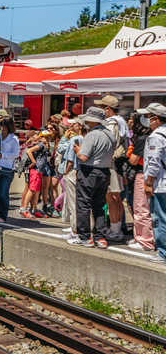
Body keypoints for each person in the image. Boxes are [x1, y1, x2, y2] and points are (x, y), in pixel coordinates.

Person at [68, 107, 115, 248]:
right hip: (105, 171)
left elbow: (83, 157)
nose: (86, 122)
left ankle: (84, 237)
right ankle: (100, 237)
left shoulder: (91, 135)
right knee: (99, 206)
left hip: (89, 172)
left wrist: (78, 150)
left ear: (92, 120)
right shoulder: (110, 134)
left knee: (83, 204)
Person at [95, 95, 129, 242]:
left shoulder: (111, 123)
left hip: (110, 163)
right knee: (117, 197)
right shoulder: (121, 121)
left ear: (107, 109)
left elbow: (107, 144)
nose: (99, 110)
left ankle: (114, 231)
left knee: (111, 197)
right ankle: (117, 228)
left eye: (101, 107)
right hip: (118, 163)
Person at [140, 103, 166, 264]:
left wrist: (149, 184)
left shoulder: (156, 136)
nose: (145, 119)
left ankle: (163, 253)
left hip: (160, 184)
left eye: (147, 116)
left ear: (155, 118)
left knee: (160, 218)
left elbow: (154, 163)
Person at [126, 110, 155, 251]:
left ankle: (145, 240)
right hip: (151, 175)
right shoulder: (152, 135)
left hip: (141, 174)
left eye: (131, 119)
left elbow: (133, 160)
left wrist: (129, 153)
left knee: (141, 207)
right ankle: (142, 236)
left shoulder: (142, 139)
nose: (129, 122)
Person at [60, 119, 88, 240]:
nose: (71, 126)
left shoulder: (74, 139)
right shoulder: (87, 138)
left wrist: (65, 172)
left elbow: (70, 159)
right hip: (84, 172)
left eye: (73, 124)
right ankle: (84, 229)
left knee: (72, 203)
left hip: (73, 172)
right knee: (83, 203)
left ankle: (75, 230)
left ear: (80, 126)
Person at [22, 131, 51, 219]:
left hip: (39, 171)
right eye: (46, 137)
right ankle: (24, 208)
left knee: (37, 190)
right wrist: (34, 161)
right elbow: (29, 151)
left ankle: (34, 209)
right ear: (40, 137)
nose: (48, 139)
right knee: (32, 189)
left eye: (49, 137)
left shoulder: (44, 146)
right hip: (36, 170)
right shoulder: (41, 145)